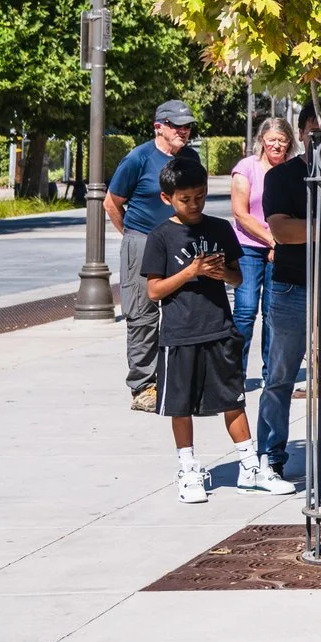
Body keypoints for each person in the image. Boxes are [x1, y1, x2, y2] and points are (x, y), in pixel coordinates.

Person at [144, 156, 296, 502]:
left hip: (218, 327)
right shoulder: (161, 237)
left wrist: (219, 274)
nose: (194, 204)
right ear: (167, 198)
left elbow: (237, 276)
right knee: (180, 405)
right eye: (186, 199)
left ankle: (248, 467)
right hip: (180, 333)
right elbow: (153, 291)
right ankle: (188, 469)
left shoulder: (219, 229)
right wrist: (191, 272)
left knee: (233, 399)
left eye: (199, 196)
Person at [259, 100, 321, 486]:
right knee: (280, 374)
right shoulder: (281, 178)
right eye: (315, 132)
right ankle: (271, 455)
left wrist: (309, 228)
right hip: (291, 287)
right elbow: (282, 233)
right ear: (301, 134)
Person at [108, 98, 201, 410]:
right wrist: (134, 238)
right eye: (177, 125)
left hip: (180, 241)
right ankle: (143, 386)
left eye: (187, 125)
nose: (183, 131)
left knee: (184, 311)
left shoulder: (190, 158)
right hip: (142, 241)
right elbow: (112, 202)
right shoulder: (138, 158)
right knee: (142, 315)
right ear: (158, 126)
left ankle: (177, 377)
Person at [227, 117, 294, 377]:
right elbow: (240, 214)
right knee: (245, 311)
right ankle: (234, 373)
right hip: (248, 247)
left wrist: (280, 243)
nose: (276, 145)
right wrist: (271, 239)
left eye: (282, 140)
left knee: (273, 313)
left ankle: (272, 372)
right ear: (261, 141)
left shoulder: (291, 170)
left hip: (283, 248)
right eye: (271, 140)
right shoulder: (246, 168)